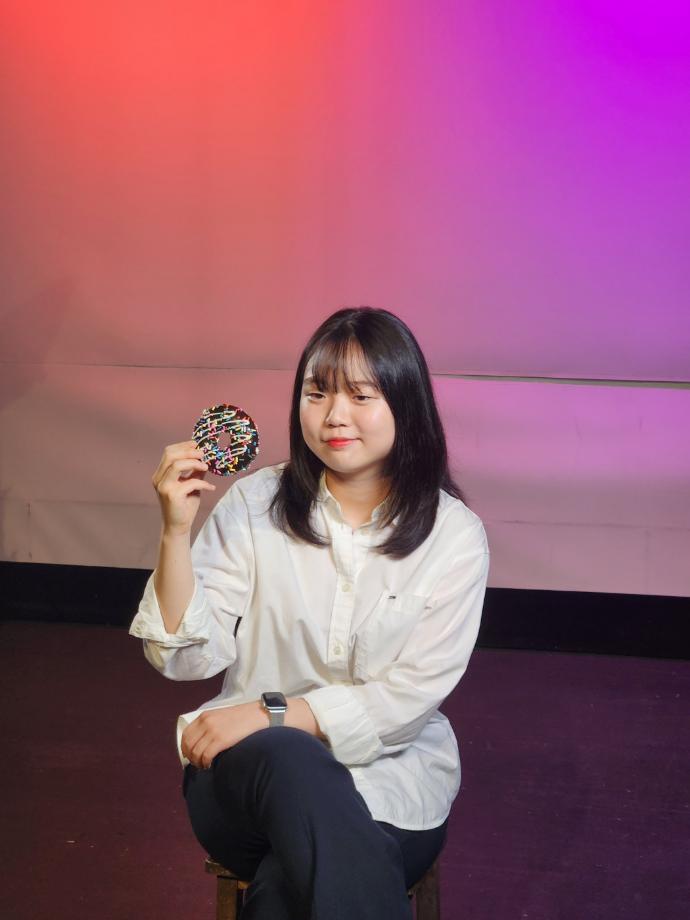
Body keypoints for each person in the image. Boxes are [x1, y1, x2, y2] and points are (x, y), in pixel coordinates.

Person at [129, 306, 490, 920]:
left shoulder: (453, 536)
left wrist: (271, 713)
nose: (333, 416)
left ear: (406, 404)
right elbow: (182, 659)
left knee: (287, 891)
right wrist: (175, 532)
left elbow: (408, 699)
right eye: (316, 393)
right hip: (245, 781)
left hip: (392, 790)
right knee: (287, 755)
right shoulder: (254, 504)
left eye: (360, 396)